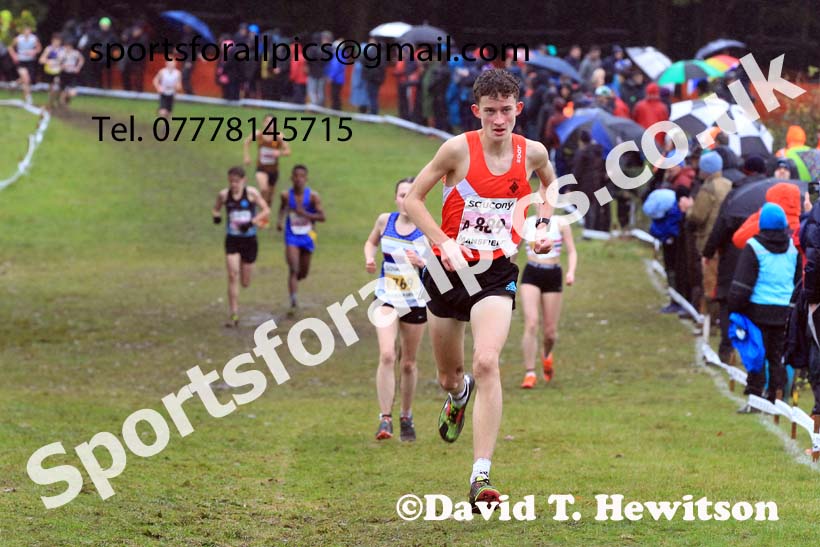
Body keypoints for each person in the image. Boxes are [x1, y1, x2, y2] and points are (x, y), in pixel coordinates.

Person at [404, 68, 555, 509]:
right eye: (490, 111)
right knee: (448, 376)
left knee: (487, 361)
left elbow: (550, 183)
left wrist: (542, 224)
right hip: (447, 274)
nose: (499, 119)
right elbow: (413, 198)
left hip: (495, 272)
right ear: (477, 111)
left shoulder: (532, 152)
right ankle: (458, 395)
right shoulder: (456, 150)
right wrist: (442, 241)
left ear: (518, 110)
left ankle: (480, 477)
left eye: (506, 110)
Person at [364, 179, 429, 441]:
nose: (406, 200)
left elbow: (440, 269)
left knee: (409, 363)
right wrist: (369, 257)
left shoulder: (426, 229)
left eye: (411, 195)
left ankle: (406, 415)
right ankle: (385, 418)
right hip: (386, 298)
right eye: (402, 195)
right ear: (396, 198)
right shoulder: (384, 221)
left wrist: (422, 262)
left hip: (414, 302)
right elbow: (370, 243)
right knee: (388, 355)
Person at [729, 203, 800, 412]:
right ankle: (776, 398)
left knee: (755, 356)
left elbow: (743, 282)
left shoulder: (754, 246)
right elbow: (797, 281)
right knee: (777, 357)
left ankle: (754, 399)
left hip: (757, 311)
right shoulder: (792, 248)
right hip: (784, 312)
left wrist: (735, 307)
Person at [519, 214, 576, 387]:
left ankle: (546, 354)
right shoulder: (526, 223)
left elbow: (572, 250)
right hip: (531, 273)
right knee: (531, 323)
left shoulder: (561, 223)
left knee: (550, 332)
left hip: (553, 273)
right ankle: (530, 372)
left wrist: (571, 271)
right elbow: (513, 250)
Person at [212, 166, 270, 327]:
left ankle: (242, 291)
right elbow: (216, 209)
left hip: (249, 240)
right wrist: (216, 217)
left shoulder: (251, 193)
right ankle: (234, 314)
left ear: (243, 180)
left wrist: (251, 222)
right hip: (232, 240)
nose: (234, 185)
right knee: (232, 275)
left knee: (245, 281)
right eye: (231, 181)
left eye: (237, 181)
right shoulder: (224, 195)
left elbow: (266, 210)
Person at [277, 165, 325, 312]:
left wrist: (304, 214)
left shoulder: (312, 196)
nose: (299, 179)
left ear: (306, 178)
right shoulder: (286, 195)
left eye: (302, 176)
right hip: (291, 235)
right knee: (294, 268)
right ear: (292, 178)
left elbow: (322, 217)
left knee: (303, 273)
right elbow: (282, 208)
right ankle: (293, 299)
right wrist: (279, 221)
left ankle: (295, 282)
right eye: (296, 176)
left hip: (309, 235)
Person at [243, 114, 292, 206]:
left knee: (270, 197)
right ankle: (260, 207)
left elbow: (288, 151)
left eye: (273, 123)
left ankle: (265, 211)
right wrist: (246, 156)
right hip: (261, 168)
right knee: (264, 189)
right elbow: (246, 142)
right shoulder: (258, 134)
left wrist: (279, 153)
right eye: (268, 122)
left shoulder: (279, 136)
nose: (270, 125)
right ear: (264, 123)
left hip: (273, 170)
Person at [10, 24, 42, 103]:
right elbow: (10, 47)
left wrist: (34, 51)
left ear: (30, 30)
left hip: (30, 61)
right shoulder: (18, 39)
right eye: (25, 30)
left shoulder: (34, 38)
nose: (26, 32)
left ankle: (15, 83)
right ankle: (28, 97)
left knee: (28, 79)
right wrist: (14, 56)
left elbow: (39, 48)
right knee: (26, 79)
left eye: (28, 30)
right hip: (21, 61)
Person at [38, 33, 64, 110]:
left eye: (58, 41)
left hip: (59, 72)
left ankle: (56, 101)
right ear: (52, 41)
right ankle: (51, 103)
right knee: (52, 88)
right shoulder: (48, 49)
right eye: (55, 41)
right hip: (50, 71)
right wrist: (49, 61)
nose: (57, 43)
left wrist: (60, 63)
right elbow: (41, 60)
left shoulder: (62, 50)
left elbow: (64, 61)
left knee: (57, 85)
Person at [59, 41, 84, 106]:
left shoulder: (75, 53)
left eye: (69, 46)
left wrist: (78, 67)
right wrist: (61, 66)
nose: (67, 48)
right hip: (64, 73)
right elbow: (59, 62)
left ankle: (67, 98)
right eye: (66, 46)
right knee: (62, 90)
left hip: (72, 74)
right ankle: (62, 106)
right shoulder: (62, 53)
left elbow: (81, 59)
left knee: (73, 92)